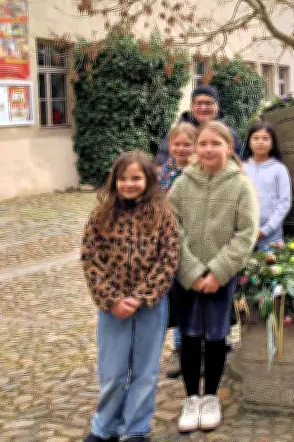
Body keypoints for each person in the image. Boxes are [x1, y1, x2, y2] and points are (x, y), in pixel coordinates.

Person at [81, 151, 180, 442]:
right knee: (112, 370)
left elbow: (169, 257)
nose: (129, 184)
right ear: (114, 182)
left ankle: (135, 428)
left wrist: (141, 296)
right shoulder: (101, 215)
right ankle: (105, 426)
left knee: (145, 370)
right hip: (112, 306)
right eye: (123, 178)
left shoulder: (163, 215)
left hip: (150, 305)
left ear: (148, 180)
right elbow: (90, 258)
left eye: (136, 178)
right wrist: (112, 299)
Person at [169, 121, 259, 433]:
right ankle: (191, 396)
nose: (208, 149)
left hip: (221, 276)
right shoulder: (183, 183)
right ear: (196, 148)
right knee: (190, 336)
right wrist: (191, 271)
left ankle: (211, 397)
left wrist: (218, 272)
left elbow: (245, 233)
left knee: (216, 336)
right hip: (187, 275)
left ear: (228, 148)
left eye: (215, 144)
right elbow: (172, 229)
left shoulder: (240, 184)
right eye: (203, 143)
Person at [158, 122, 198, 380]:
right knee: (178, 300)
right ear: (170, 146)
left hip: (195, 242)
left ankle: (202, 349)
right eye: (177, 144)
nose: (181, 149)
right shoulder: (163, 173)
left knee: (197, 299)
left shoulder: (199, 172)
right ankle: (181, 349)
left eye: (187, 144)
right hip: (170, 244)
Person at [155, 85, 243, 165]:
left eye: (208, 103)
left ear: (217, 107)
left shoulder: (229, 134)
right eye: (198, 103)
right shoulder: (176, 133)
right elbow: (160, 164)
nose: (203, 108)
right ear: (191, 107)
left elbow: (237, 165)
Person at [242, 121, 292, 250]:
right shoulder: (241, 168)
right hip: (244, 235)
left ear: (272, 143)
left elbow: (284, 204)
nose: (260, 142)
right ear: (249, 142)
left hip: (271, 238)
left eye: (265, 139)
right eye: (256, 138)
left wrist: (265, 230)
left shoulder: (279, 169)